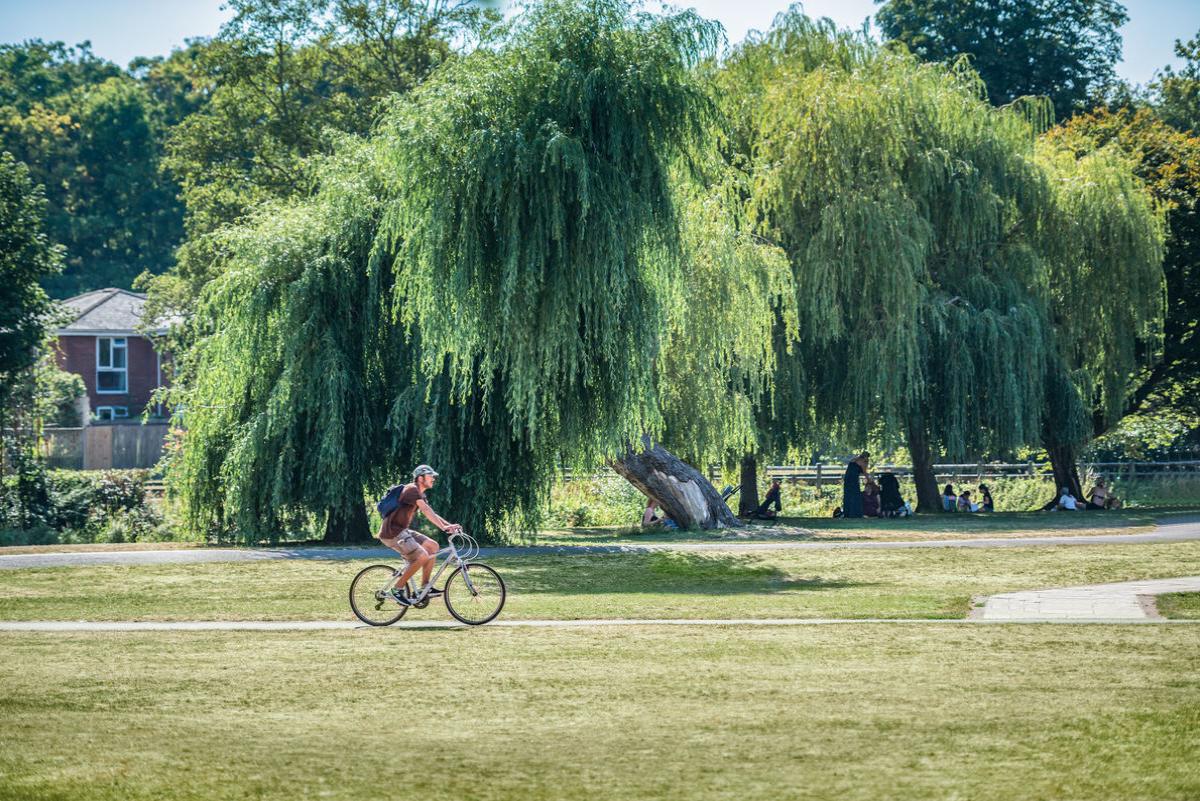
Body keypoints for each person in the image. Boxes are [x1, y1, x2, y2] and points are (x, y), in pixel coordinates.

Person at [377, 464, 462, 606]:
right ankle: (397, 589)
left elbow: (430, 511)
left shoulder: (419, 493)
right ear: (420, 477)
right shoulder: (411, 489)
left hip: (401, 530)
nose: (434, 478)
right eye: (430, 475)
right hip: (392, 533)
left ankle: (425, 587)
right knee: (422, 556)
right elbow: (426, 510)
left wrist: (449, 525)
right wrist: (444, 527)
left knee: (433, 546)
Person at [841, 452, 869, 518]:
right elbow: (865, 472)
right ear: (866, 457)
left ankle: (847, 513)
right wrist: (869, 480)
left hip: (847, 479)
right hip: (853, 480)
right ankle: (856, 513)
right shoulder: (863, 462)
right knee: (855, 496)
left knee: (848, 495)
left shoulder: (854, 459)